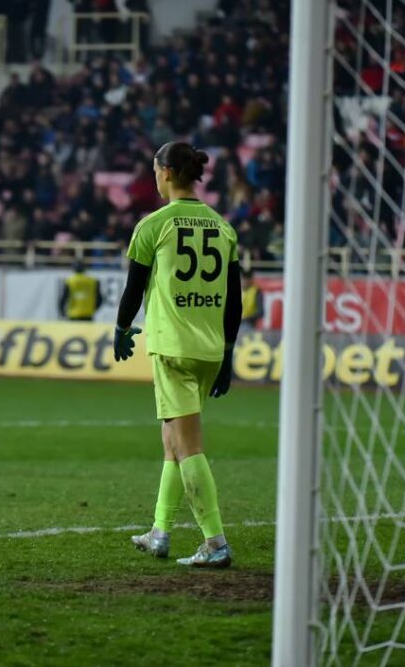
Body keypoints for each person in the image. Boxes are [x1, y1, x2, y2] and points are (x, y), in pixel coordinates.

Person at [114, 141, 242, 568]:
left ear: (166, 172)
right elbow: (235, 300)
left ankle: (215, 542)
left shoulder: (154, 225)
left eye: (154, 169)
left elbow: (134, 286)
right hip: (208, 349)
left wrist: (120, 328)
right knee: (171, 442)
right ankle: (160, 532)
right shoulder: (223, 227)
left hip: (173, 348)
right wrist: (227, 353)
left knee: (187, 446)